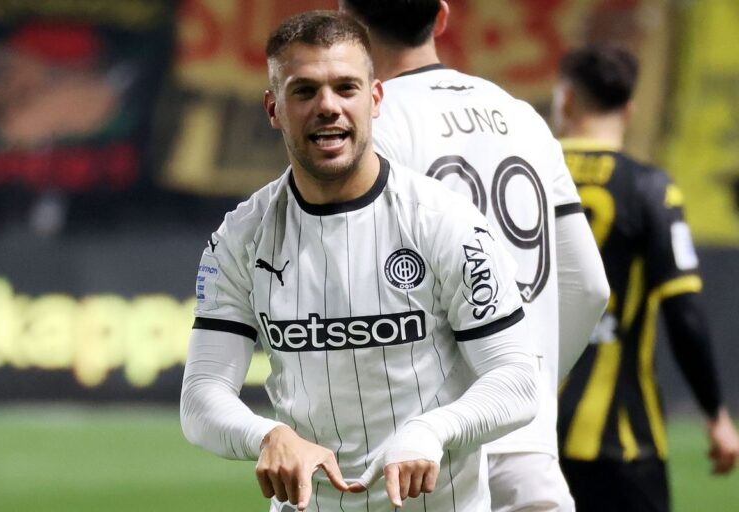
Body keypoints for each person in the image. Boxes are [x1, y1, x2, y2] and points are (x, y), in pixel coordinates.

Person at [180, 11, 541, 512]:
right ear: (273, 108)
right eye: (305, 91)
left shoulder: (445, 222)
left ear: (375, 99)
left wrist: (432, 429)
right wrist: (266, 435)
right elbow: (201, 395)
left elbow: (518, 380)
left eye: (345, 88)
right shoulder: (240, 238)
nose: (328, 106)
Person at [338, 1, 610, 510]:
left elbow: (356, 291)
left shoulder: (372, 124)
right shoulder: (523, 117)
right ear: (441, 17)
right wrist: (524, 388)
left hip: (424, 456)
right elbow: (591, 287)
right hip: (527, 454)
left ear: (346, 26)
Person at [552, 43, 739, 512]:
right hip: (622, 438)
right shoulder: (648, 187)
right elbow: (685, 311)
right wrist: (715, 414)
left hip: (527, 435)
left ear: (566, 99)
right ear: (630, 110)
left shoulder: (522, 177)